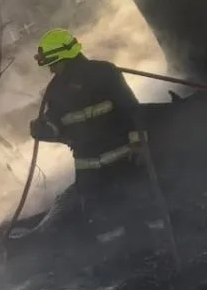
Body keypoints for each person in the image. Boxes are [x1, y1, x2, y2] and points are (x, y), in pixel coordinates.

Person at [29, 28, 166, 253]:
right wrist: (42, 130)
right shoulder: (55, 90)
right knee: (102, 220)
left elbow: (131, 109)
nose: (51, 69)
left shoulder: (104, 73)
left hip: (122, 157)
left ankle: (158, 250)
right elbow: (57, 125)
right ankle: (118, 259)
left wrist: (137, 142)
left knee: (140, 206)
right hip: (89, 167)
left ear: (63, 58)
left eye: (52, 64)